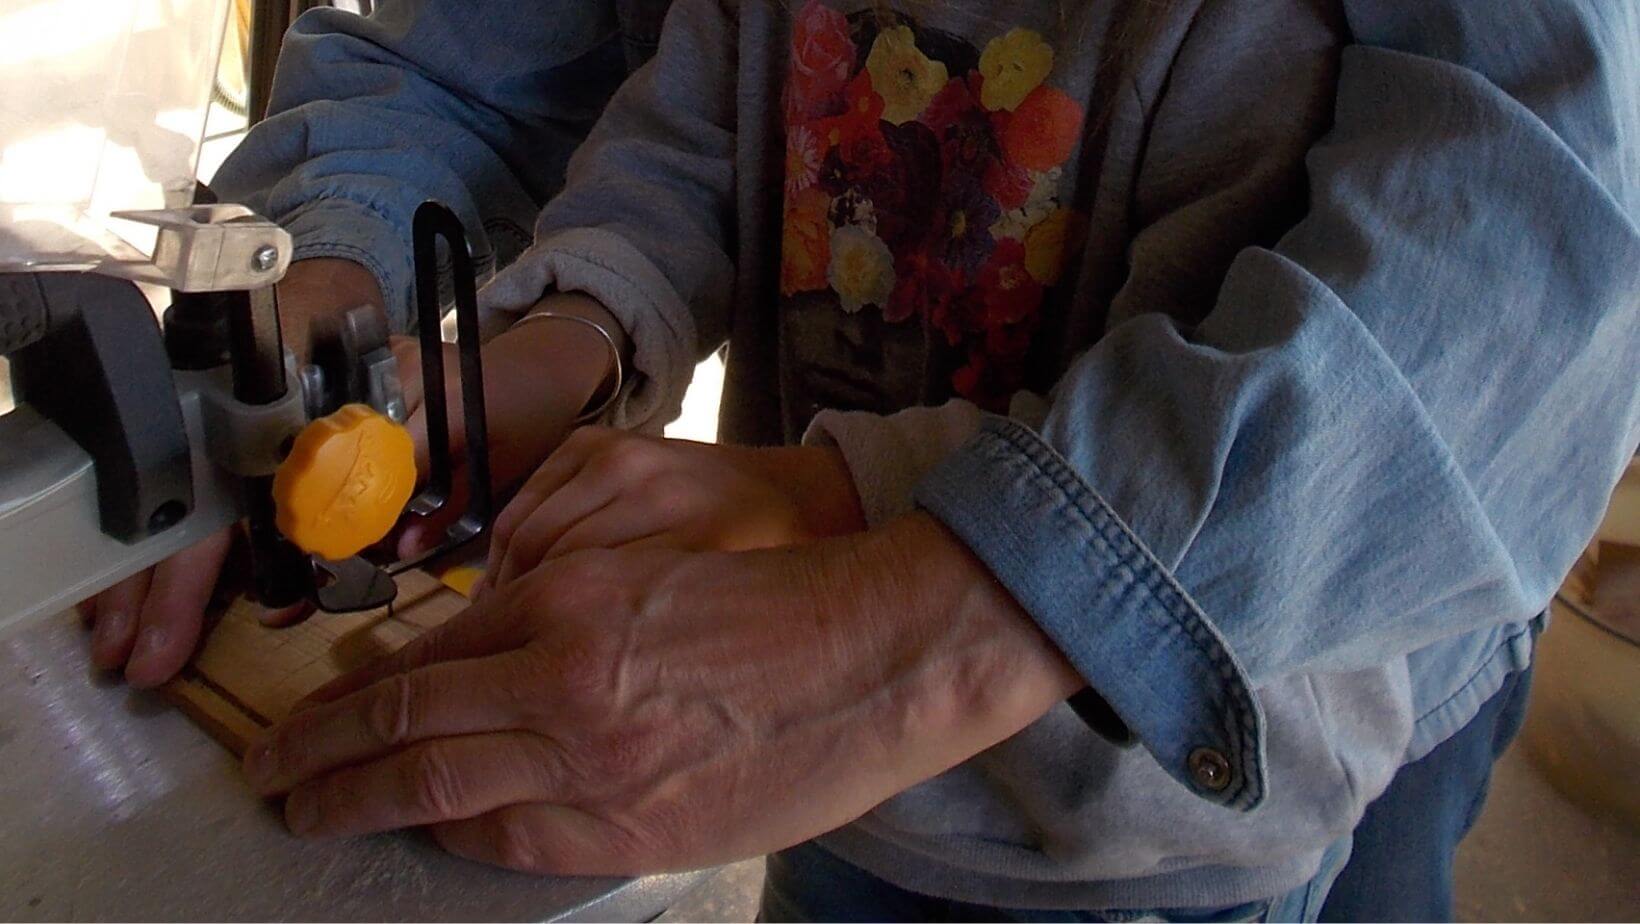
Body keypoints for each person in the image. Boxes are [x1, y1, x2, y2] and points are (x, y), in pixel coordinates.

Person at [78, 1, 1640, 920]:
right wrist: (539, 355)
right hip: (834, 813)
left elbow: (1502, 261)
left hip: (1159, 834)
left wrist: (848, 515)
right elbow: (686, 134)